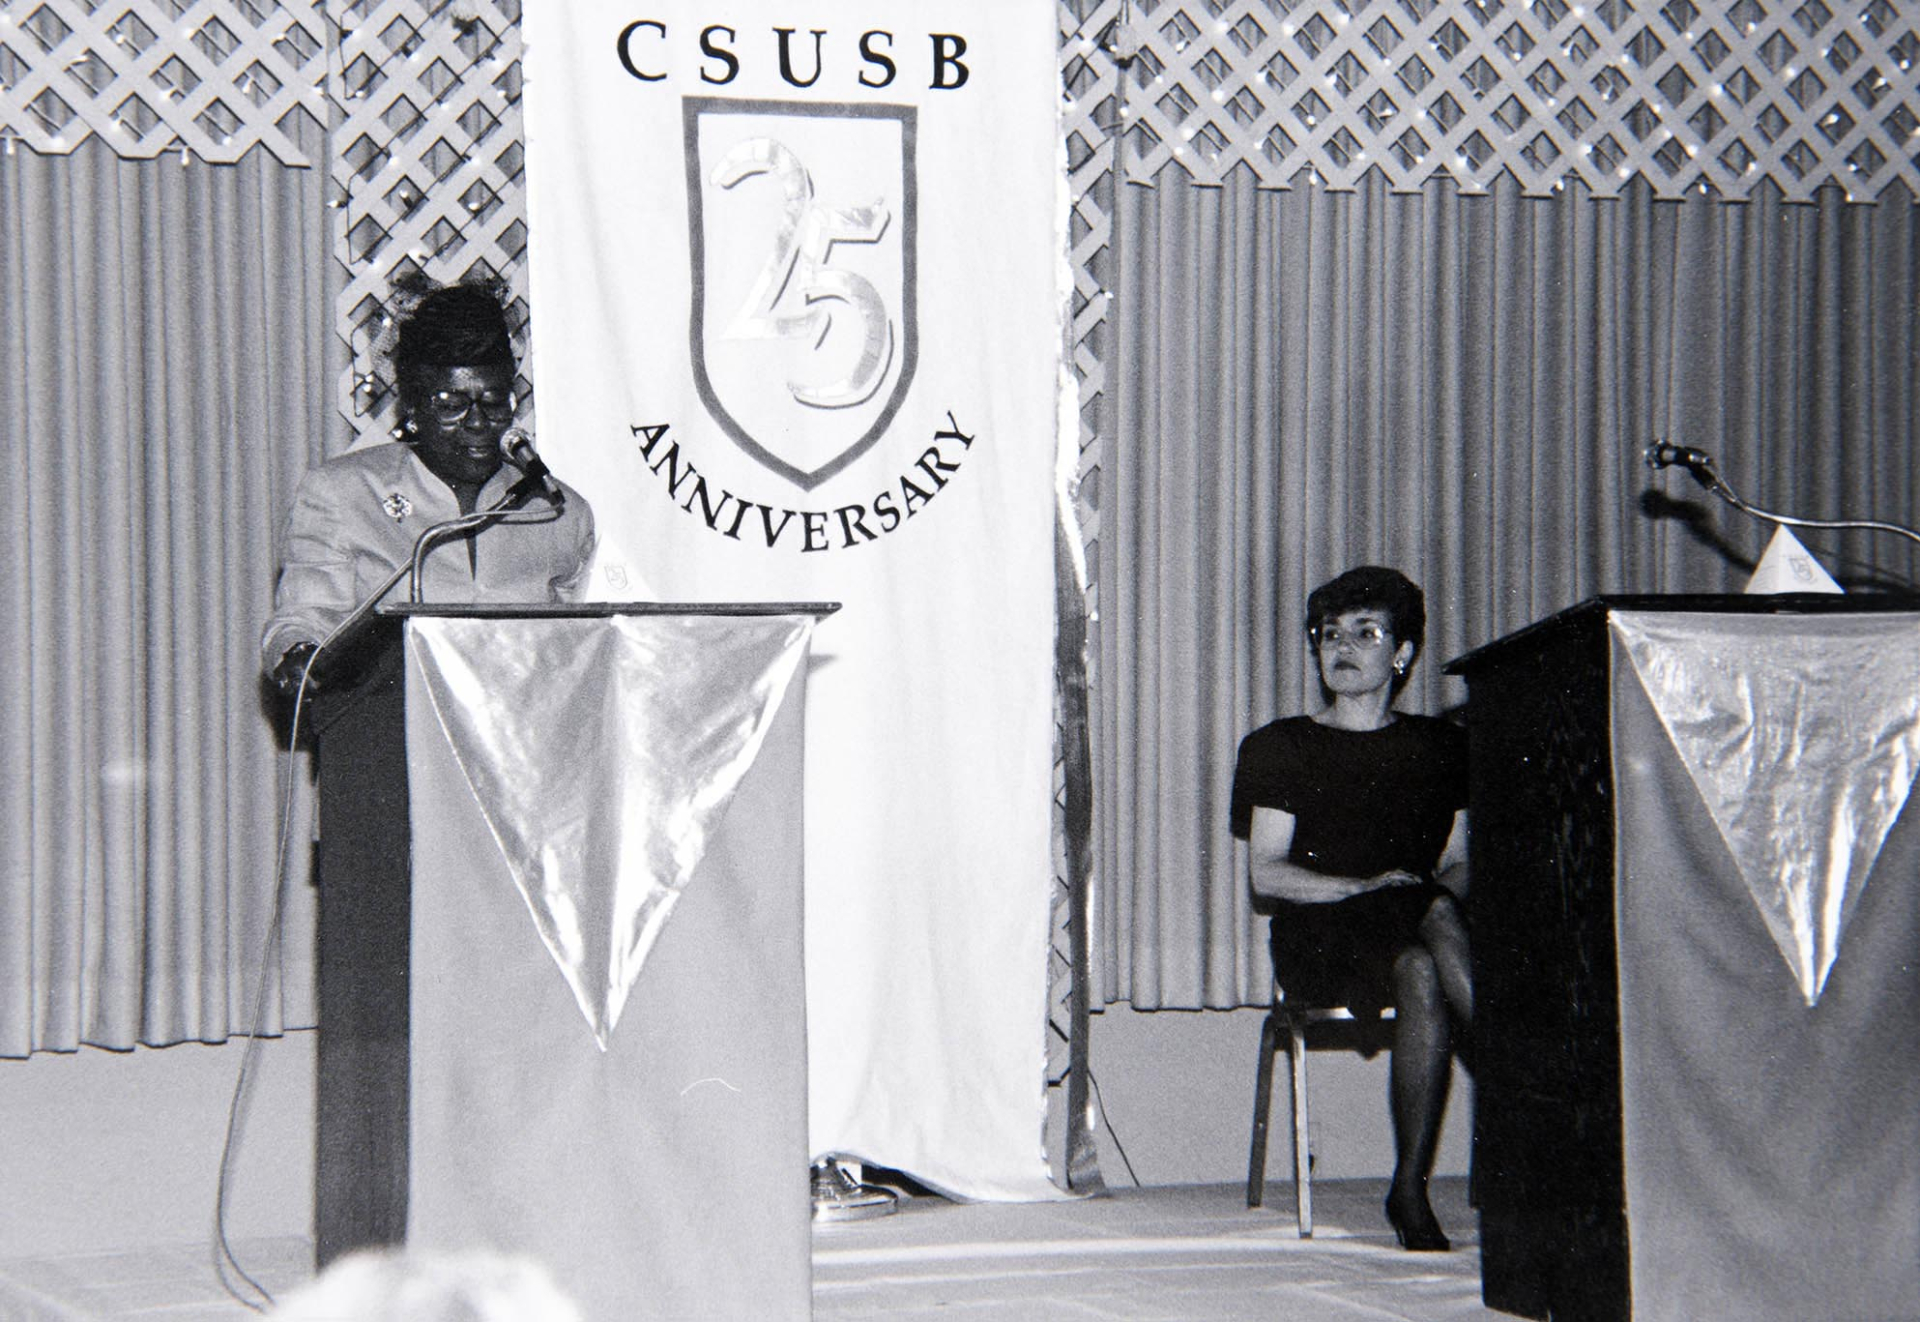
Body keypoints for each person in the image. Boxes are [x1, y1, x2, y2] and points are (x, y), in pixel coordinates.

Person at [1229, 565, 1472, 1252]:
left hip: (1415, 927)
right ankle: (1529, 1093)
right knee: (1429, 918)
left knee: (1425, 962)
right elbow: (1269, 874)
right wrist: (1366, 890)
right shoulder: (1280, 747)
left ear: (1402, 654)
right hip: (1322, 935)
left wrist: (1415, 896)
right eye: (1329, 633)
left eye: (1367, 633)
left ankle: (1409, 1187)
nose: (1343, 647)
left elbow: (1461, 862)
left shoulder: (1441, 747)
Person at [261, 280, 594, 692]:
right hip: (388, 728)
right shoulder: (344, 494)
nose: (476, 422)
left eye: (493, 402)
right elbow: (306, 617)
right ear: (414, 407)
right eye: (452, 405)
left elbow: (585, 646)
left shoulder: (559, 510)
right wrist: (299, 652)